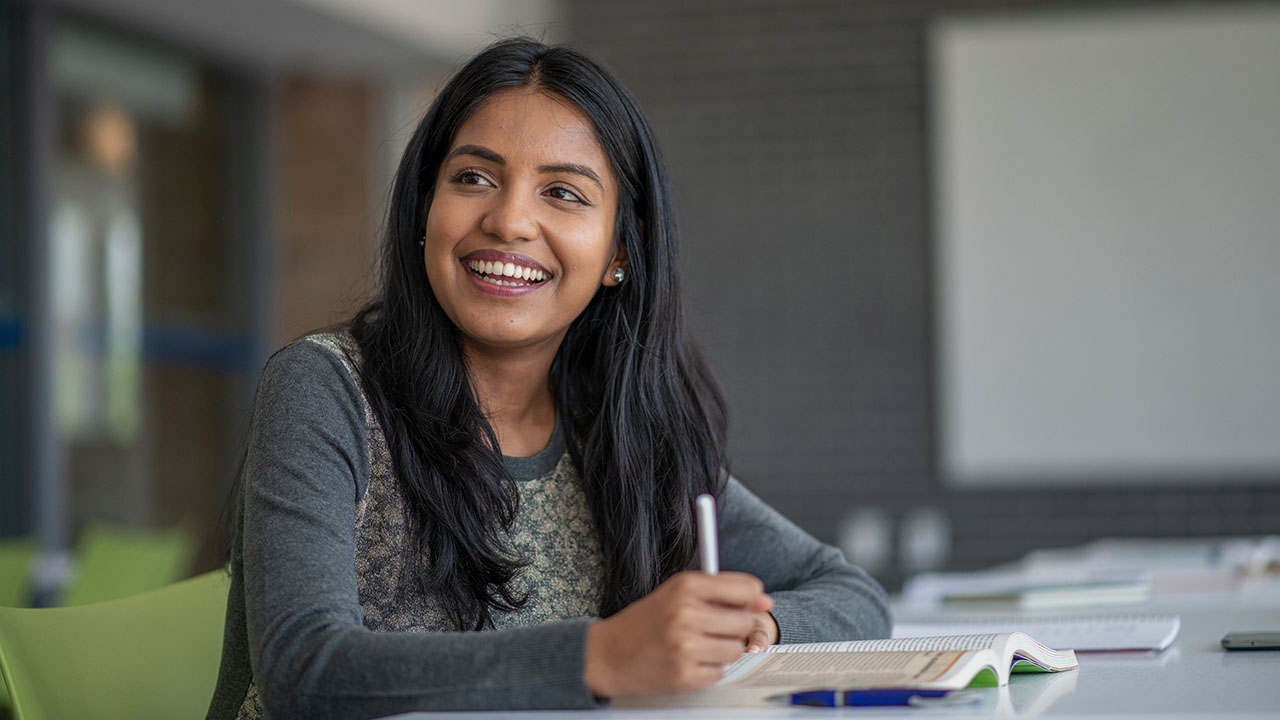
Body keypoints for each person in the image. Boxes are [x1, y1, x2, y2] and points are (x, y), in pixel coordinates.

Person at [206, 37, 890, 720]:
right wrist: (601, 657)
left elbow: (851, 592)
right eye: (473, 177)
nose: (508, 221)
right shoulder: (325, 390)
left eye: (562, 192)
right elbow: (306, 667)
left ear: (621, 248)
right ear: (424, 208)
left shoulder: (622, 432)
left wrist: (751, 631)